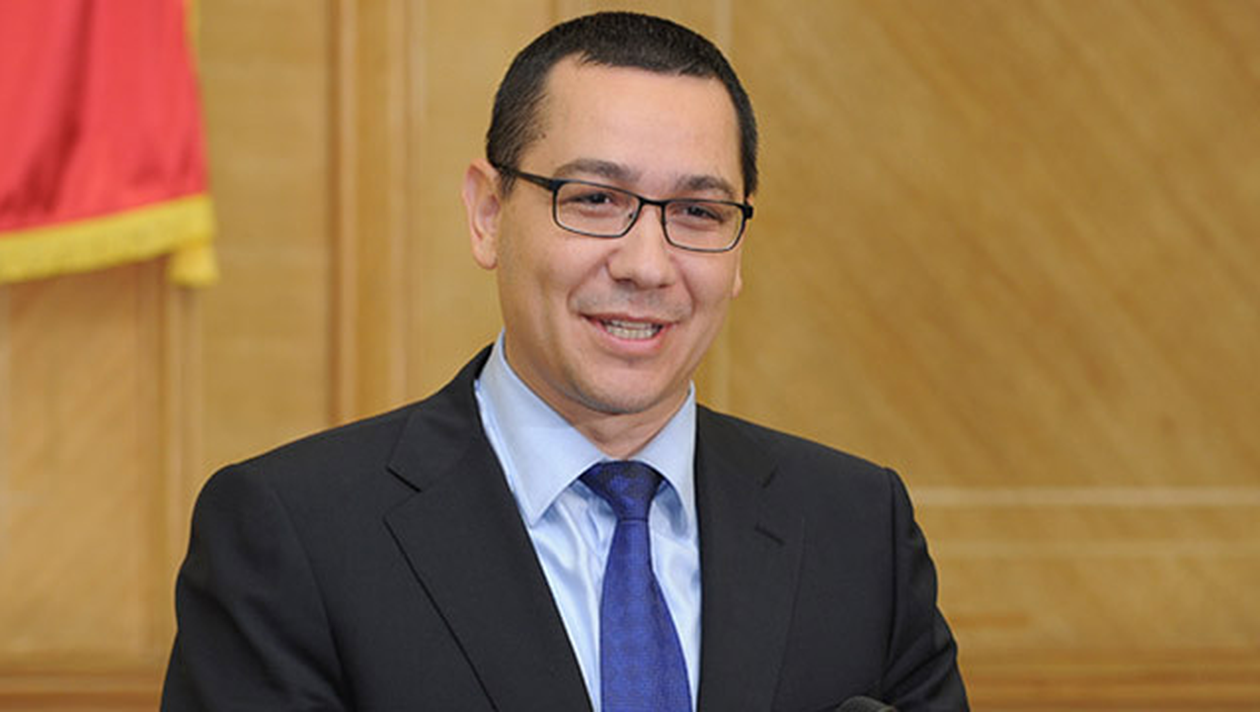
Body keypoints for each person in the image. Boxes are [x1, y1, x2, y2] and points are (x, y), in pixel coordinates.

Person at [161, 11, 967, 712]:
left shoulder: (857, 529)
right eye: (594, 200)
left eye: (697, 211)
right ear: (487, 214)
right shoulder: (293, 533)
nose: (647, 265)